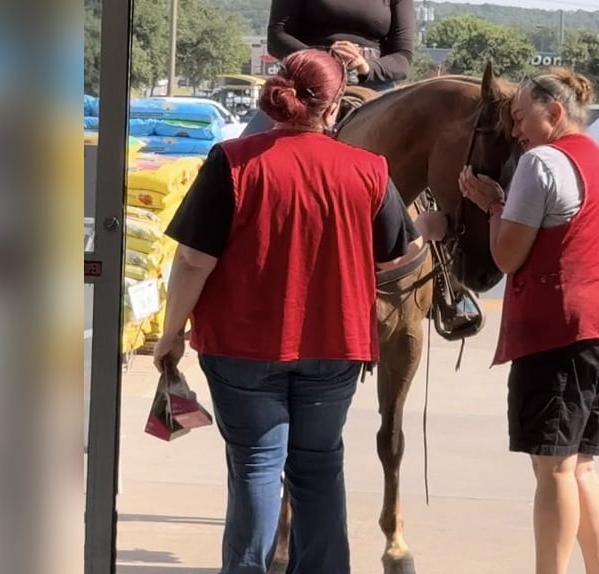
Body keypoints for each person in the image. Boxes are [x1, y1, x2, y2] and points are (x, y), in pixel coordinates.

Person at [153, 49, 445, 574]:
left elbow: (194, 259)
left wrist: (172, 333)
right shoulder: (369, 171)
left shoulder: (233, 162)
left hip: (240, 348)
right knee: (319, 467)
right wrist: (428, 231)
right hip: (334, 347)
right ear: (335, 108)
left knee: (257, 468)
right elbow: (395, 256)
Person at [458, 68, 599, 574]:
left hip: (562, 334)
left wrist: (492, 205)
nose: (517, 132)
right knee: (582, 467)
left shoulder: (541, 161)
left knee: (554, 471)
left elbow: (506, 257)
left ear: (555, 112)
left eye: (522, 118)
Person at [241, 0, 415, 136]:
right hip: (306, 81)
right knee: (243, 154)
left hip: (372, 82)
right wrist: (323, 57)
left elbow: (403, 57)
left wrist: (366, 66)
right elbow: (277, 37)